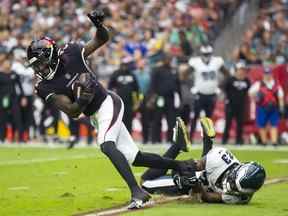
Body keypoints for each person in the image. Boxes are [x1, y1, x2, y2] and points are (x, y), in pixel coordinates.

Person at [26, 10, 195, 209]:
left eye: (42, 63)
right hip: (94, 114)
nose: (40, 69)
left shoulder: (71, 52)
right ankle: (183, 165)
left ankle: (137, 192)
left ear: (52, 56)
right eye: (37, 66)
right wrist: (83, 99)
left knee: (106, 145)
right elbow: (71, 111)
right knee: (136, 158)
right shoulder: (44, 86)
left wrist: (99, 27)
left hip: (107, 102)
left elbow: (100, 40)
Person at [141, 117, 266, 204]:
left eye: (236, 188)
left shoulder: (241, 196)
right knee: (145, 182)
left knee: (146, 183)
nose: (231, 187)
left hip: (202, 181)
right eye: (234, 183)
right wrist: (191, 180)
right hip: (196, 178)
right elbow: (189, 166)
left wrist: (197, 186)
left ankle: (206, 140)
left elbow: (208, 197)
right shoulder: (219, 157)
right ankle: (179, 146)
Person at [188, 45, 227, 139]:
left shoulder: (216, 62)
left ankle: (207, 139)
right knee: (195, 117)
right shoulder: (196, 62)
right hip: (199, 93)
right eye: (204, 54)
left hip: (211, 94)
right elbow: (184, 75)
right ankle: (190, 138)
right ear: (201, 54)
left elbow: (227, 74)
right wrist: (192, 86)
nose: (206, 56)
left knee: (208, 119)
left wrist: (219, 86)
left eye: (208, 54)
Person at [249, 67, 285, 146]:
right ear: (263, 75)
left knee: (274, 124)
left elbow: (280, 96)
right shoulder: (259, 84)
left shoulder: (276, 84)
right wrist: (256, 99)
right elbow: (250, 93)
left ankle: (274, 142)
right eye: (266, 74)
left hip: (273, 107)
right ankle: (264, 141)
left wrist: (281, 107)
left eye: (269, 74)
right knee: (262, 125)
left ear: (271, 74)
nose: (267, 76)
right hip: (262, 107)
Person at [222, 62, 251, 145]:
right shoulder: (230, 79)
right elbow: (224, 88)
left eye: (243, 70)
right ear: (236, 70)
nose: (241, 71)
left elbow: (247, 91)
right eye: (240, 70)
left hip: (241, 105)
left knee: (240, 124)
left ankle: (239, 140)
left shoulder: (246, 80)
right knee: (228, 123)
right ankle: (224, 140)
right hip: (230, 105)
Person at [108, 58, 140, 133]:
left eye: (126, 65)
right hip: (118, 101)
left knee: (129, 119)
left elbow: (137, 89)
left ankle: (129, 135)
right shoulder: (116, 74)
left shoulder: (132, 75)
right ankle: (119, 135)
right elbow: (110, 87)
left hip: (129, 102)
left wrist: (137, 102)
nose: (124, 67)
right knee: (119, 119)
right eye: (123, 65)